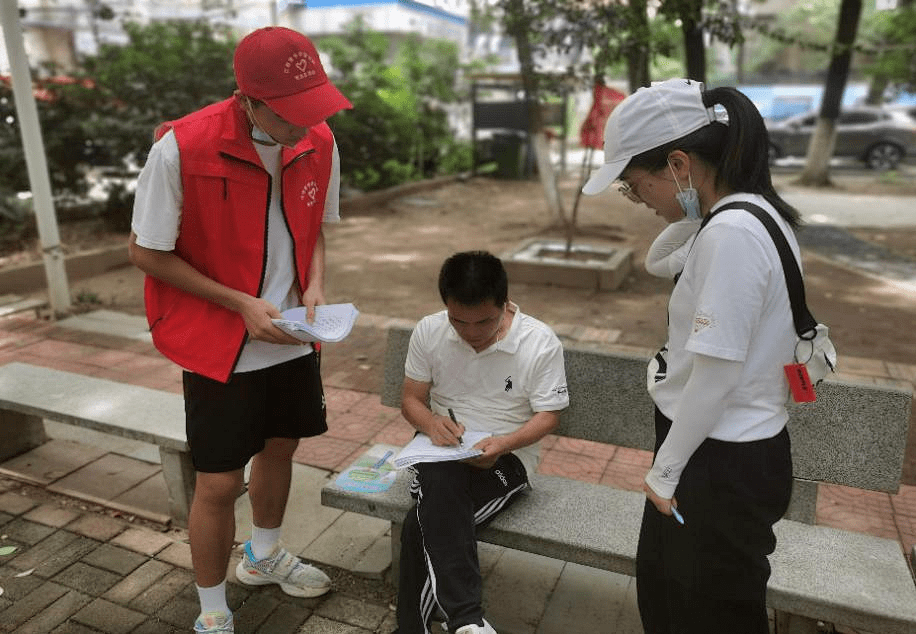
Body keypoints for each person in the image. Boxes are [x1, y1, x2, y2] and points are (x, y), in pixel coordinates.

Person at [128, 26, 352, 634]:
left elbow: (316, 231)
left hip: (291, 334)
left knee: (282, 447)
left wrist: (313, 287)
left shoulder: (319, 140)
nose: (303, 128)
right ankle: (212, 606)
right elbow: (147, 252)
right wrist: (239, 304)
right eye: (289, 117)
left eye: (313, 111)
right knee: (220, 480)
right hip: (218, 340)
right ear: (247, 99)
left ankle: (264, 556)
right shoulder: (183, 147)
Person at [582, 78, 799, 633]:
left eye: (634, 187)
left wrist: (665, 470)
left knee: (703, 610)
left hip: (716, 460)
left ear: (678, 163)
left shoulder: (733, 235)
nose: (637, 201)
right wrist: (692, 209)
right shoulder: (744, 215)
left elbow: (716, 373)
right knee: (674, 594)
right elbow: (662, 260)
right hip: (719, 451)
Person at [395, 251, 569, 634]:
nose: (471, 332)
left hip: (508, 457)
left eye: (484, 321)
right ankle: (467, 622)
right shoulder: (429, 330)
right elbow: (411, 399)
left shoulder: (538, 342)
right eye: (458, 321)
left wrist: (504, 443)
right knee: (440, 483)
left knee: (421, 523)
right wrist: (431, 421)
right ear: (446, 306)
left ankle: (429, 625)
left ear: (505, 304)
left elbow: (549, 416)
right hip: (440, 446)